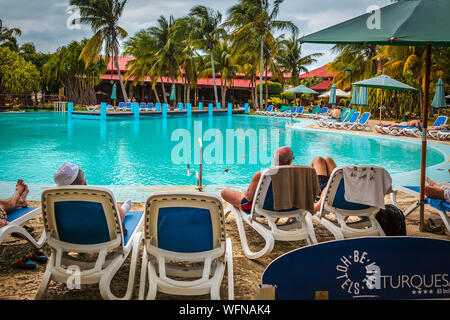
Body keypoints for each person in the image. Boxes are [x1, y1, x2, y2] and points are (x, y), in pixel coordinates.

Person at [220, 147, 294, 213]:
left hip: (263, 210)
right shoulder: (299, 175)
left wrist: (247, 192)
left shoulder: (262, 175)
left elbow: (248, 198)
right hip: (292, 209)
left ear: (274, 158)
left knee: (224, 192)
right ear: (290, 161)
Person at [54, 162, 131, 223]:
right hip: (100, 240)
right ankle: (124, 208)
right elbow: (119, 218)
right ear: (84, 182)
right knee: (119, 212)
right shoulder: (98, 199)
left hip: (65, 239)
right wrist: (124, 210)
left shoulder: (54, 202)